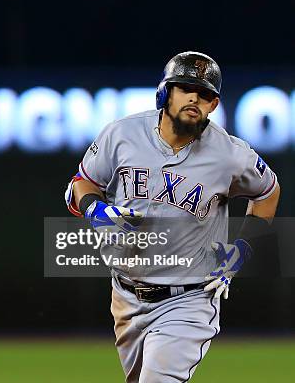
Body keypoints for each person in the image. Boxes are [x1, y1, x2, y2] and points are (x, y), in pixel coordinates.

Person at [64, 51, 280, 382]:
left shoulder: (230, 154)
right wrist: (96, 209)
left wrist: (242, 248)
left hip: (189, 299)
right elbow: (82, 184)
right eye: (185, 87)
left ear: (213, 105)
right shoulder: (121, 135)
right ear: (165, 93)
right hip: (124, 295)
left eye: (206, 93)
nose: (195, 97)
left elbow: (267, 192)